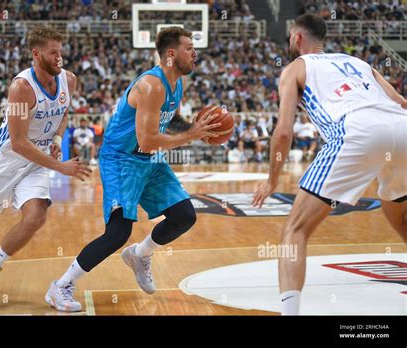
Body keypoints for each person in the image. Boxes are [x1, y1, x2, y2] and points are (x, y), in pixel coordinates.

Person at [46, 27, 220, 312]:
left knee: (184, 215)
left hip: (149, 160)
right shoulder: (152, 85)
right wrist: (192, 134)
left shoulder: (178, 85)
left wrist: (197, 130)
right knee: (117, 232)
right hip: (121, 159)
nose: (195, 52)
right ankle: (61, 285)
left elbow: (162, 126)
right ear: (171, 54)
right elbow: (147, 138)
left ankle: (140, 255)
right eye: (190, 47)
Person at [252, 13, 407, 315]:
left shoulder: (295, 68)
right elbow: (401, 103)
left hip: (356, 131)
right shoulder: (362, 63)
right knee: (397, 209)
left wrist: (272, 180)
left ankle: (290, 314)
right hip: (402, 127)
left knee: (294, 230)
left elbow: (284, 131)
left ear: (297, 38)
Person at [0, 26, 91, 298]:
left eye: (60, 52)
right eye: (53, 53)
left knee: (37, 215)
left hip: (37, 160)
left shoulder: (69, 80)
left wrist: (58, 137)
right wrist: (62, 167)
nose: (59, 59)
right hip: (5, 159)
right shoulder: (21, 87)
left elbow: (63, 114)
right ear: (36, 55)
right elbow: (18, 142)